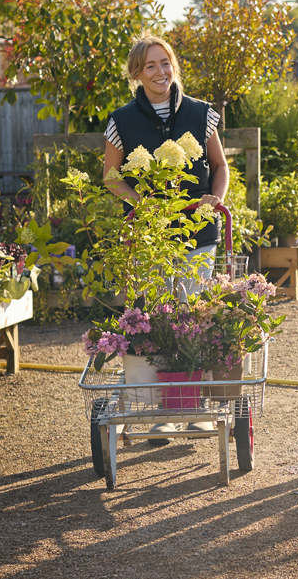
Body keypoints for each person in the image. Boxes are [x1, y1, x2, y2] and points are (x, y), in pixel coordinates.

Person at [103, 31, 229, 443]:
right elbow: (110, 176)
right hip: (149, 237)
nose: (161, 71)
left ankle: (192, 409)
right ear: (137, 74)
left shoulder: (200, 112)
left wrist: (215, 200)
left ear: (174, 66)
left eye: (166, 62)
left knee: (193, 317)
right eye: (151, 65)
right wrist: (140, 203)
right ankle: (161, 410)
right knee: (156, 320)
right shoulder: (121, 120)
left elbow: (220, 166)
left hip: (198, 234)